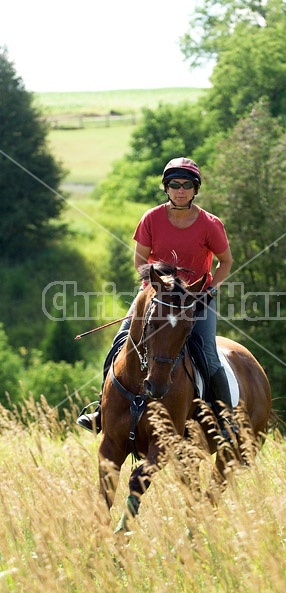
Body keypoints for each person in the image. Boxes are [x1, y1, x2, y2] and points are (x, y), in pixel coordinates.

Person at [77, 157, 236, 440]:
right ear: (166, 188)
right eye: (174, 185)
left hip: (194, 301)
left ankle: (225, 420)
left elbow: (225, 261)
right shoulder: (151, 218)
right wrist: (152, 285)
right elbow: (140, 259)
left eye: (187, 185)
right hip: (155, 297)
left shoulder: (211, 224)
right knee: (118, 344)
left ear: (195, 189)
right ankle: (101, 412)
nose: (180, 190)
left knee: (209, 356)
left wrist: (210, 291)